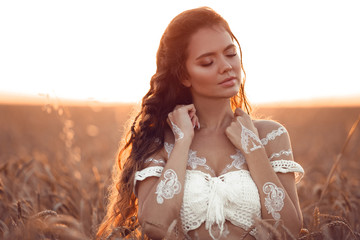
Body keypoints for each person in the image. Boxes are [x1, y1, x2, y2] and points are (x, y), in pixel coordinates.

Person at [97, 6, 304, 240]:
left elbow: (289, 229)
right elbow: (155, 225)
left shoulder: (270, 136)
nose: (226, 66)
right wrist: (182, 142)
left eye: (230, 53)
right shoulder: (159, 140)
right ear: (184, 76)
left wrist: (253, 148)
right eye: (207, 62)